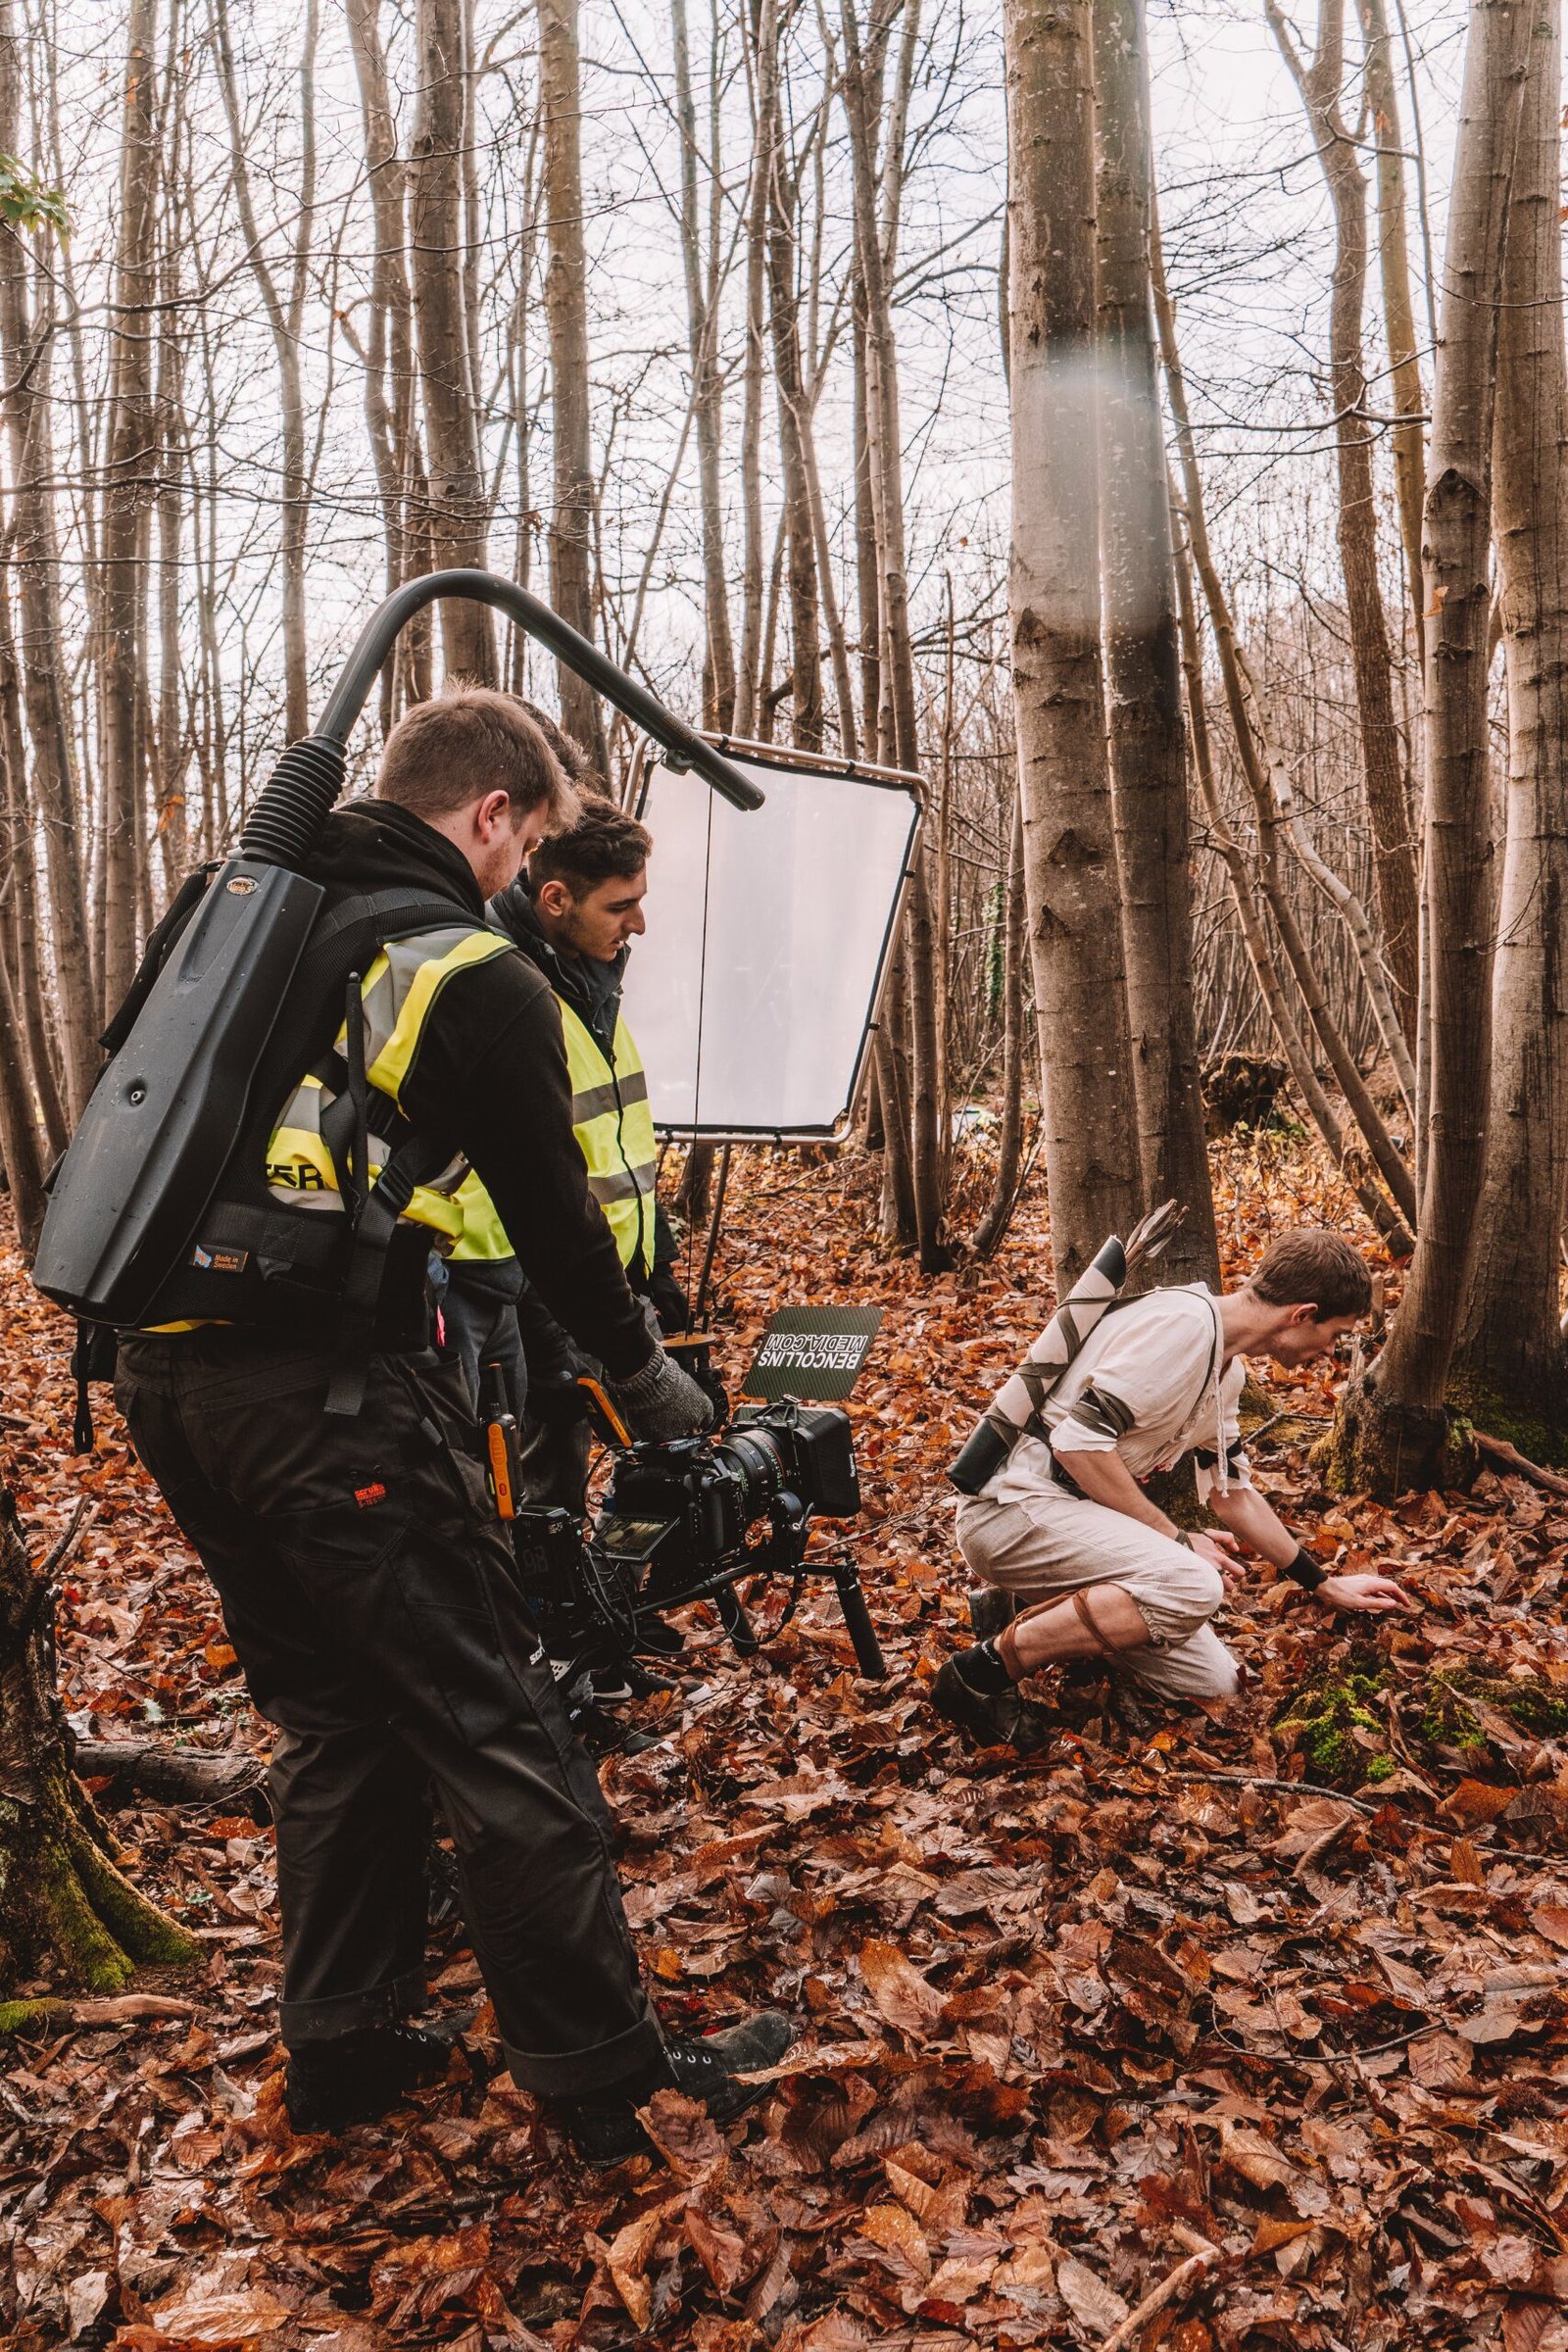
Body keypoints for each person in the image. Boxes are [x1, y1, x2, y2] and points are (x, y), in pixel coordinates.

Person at [113, 686, 791, 2159]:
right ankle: (606, 2080)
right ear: (495, 817)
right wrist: (656, 1390)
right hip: (327, 1401)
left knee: (333, 1718)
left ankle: (343, 2045)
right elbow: (561, 1238)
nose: (523, 869)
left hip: (165, 1385)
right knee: (495, 1718)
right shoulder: (472, 970)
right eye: (528, 838)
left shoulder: (228, 914)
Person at [932, 1229, 1414, 1749]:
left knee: (1217, 1687)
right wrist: (1176, 1539)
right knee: (1191, 1584)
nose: (1331, 1350)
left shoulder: (1226, 1373)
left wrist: (1321, 1583)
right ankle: (978, 1674)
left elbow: (1232, 1494)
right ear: (1302, 1314)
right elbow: (1078, 1446)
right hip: (1012, 1509)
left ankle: (1013, 1606)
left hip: (1070, 1520)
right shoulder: (1181, 1327)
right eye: (1336, 1334)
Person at [485, 786, 691, 1515]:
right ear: (554, 899)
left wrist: (657, 1265)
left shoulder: (597, 982)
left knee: (672, 1443)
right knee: (545, 1488)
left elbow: (622, 1143)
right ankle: (556, 1625)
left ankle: (618, 1608)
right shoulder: (505, 992)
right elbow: (513, 1181)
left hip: (610, 1281)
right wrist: (540, 1329)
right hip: (534, 1297)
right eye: (619, 905)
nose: (639, 923)